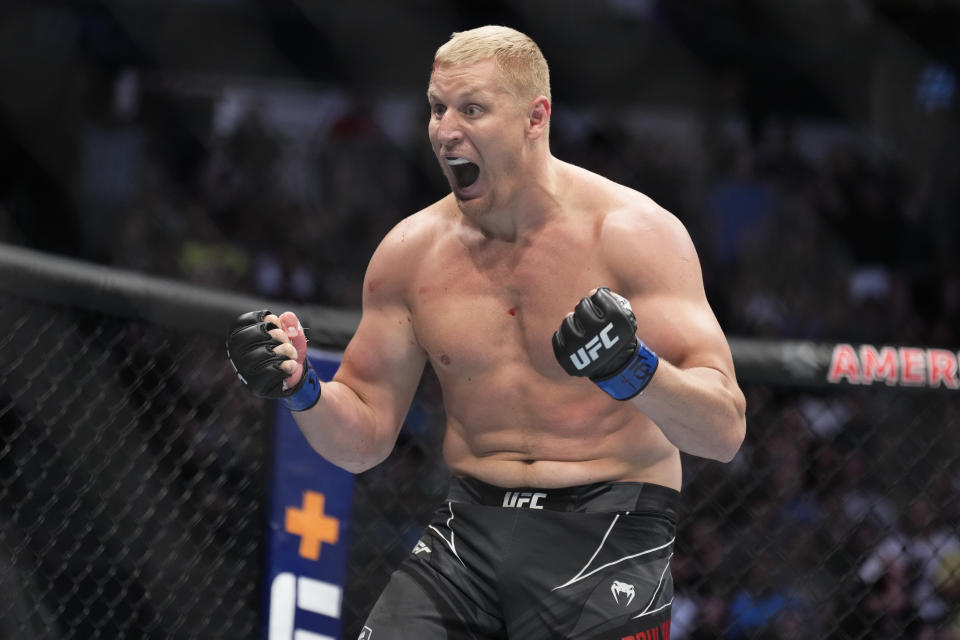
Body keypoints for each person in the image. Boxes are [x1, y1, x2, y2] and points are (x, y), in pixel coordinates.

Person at [226, 25, 746, 640]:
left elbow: (723, 432)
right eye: (437, 107)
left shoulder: (634, 235)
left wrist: (635, 370)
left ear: (535, 117)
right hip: (468, 529)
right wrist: (302, 390)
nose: (446, 130)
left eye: (471, 108)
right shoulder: (410, 254)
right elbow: (363, 440)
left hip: (609, 526)